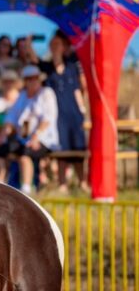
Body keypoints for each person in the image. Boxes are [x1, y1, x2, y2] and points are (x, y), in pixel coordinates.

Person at [36, 30, 88, 193]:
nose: (55, 47)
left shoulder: (72, 66)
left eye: (58, 44)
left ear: (64, 46)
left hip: (74, 113)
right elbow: (31, 58)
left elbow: (80, 88)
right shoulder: (46, 67)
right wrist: (30, 41)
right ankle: (62, 184)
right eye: (52, 45)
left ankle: (82, 182)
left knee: (79, 149)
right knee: (61, 150)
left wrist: (83, 110)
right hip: (58, 117)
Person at [0, 65, 59, 194]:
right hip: (23, 138)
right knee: (0, 151)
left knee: (25, 153)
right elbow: (11, 118)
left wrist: (36, 136)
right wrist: (3, 133)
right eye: (28, 79)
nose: (31, 81)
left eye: (34, 78)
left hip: (44, 139)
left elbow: (48, 119)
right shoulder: (22, 96)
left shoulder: (46, 93)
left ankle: (26, 189)